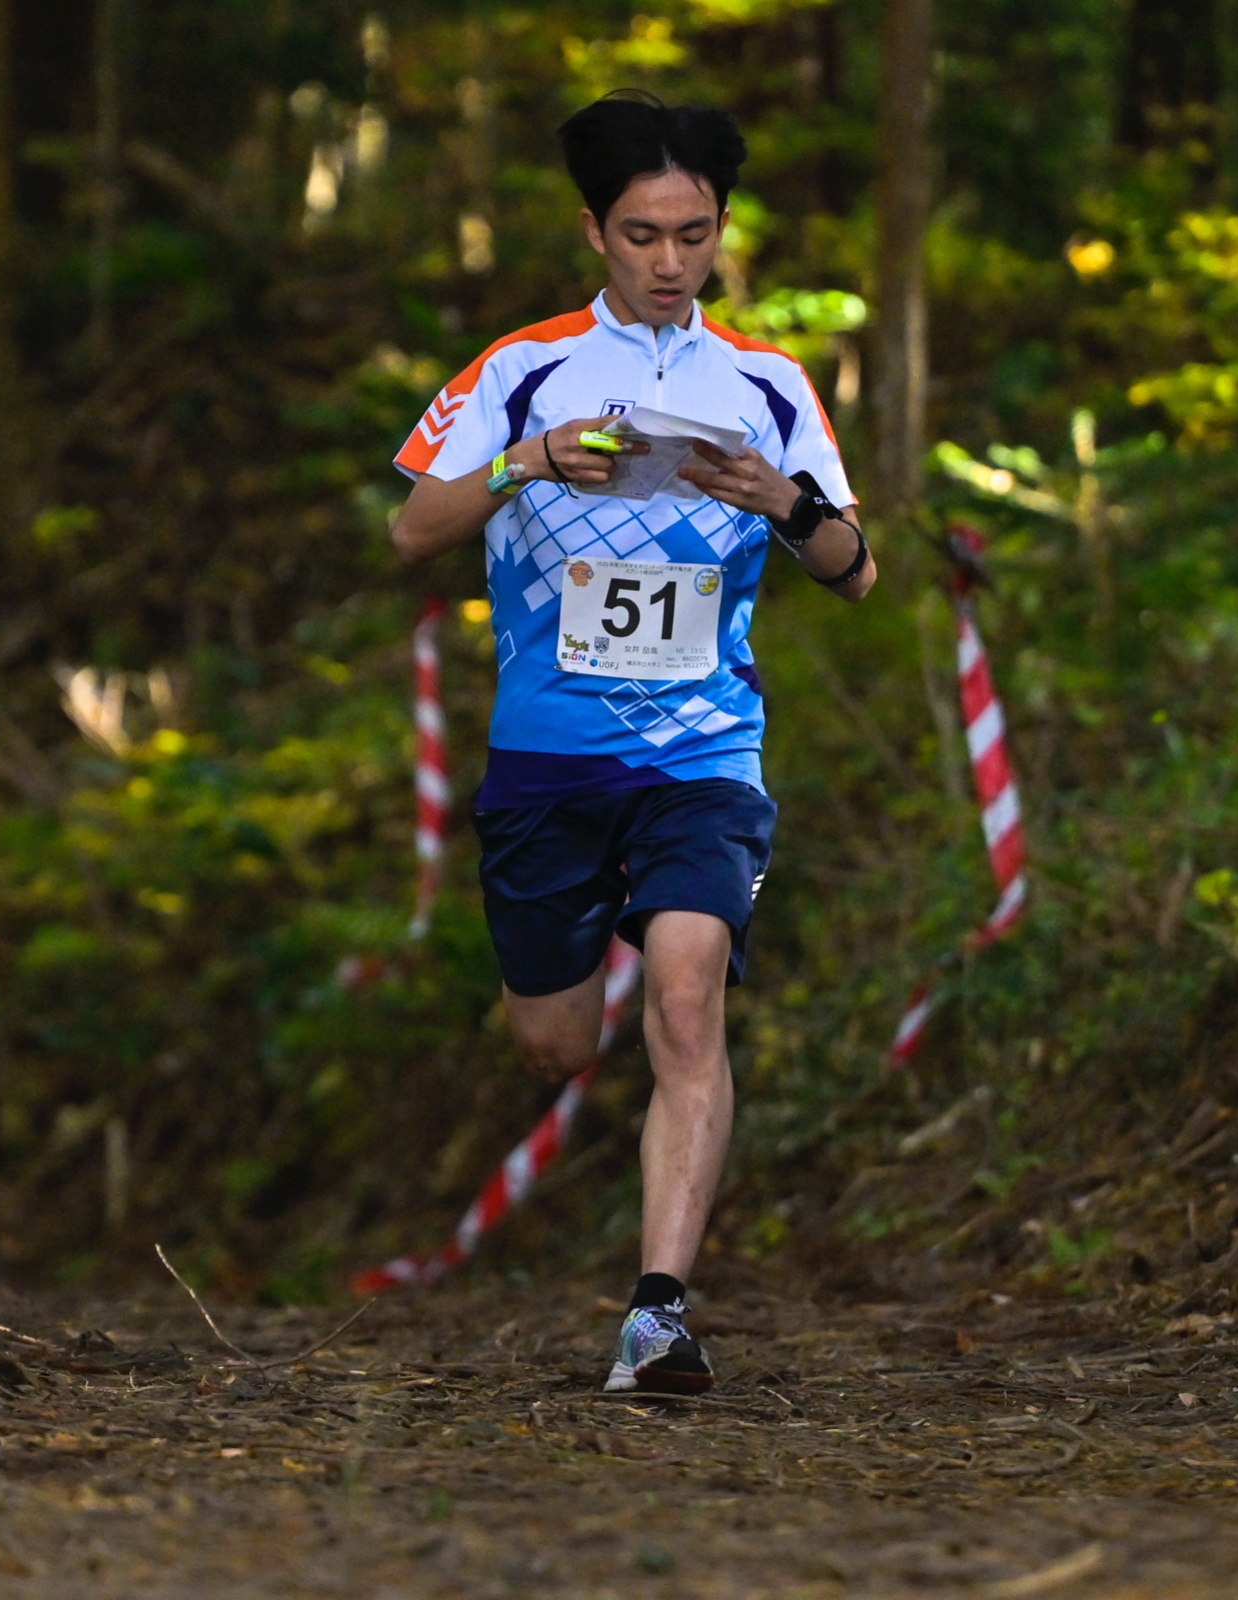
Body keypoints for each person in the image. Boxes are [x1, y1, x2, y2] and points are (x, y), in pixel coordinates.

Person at [389, 90, 873, 1394]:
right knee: (555, 1047)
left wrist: (783, 501)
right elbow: (411, 532)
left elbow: (855, 570)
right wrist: (528, 462)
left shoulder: (767, 384)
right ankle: (593, 952)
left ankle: (657, 1318)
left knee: (686, 994)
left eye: (694, 235)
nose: (670, 263)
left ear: (722, 232)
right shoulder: (519, 369)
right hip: (548, 762)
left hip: (703, 754)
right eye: (642, 236)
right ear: (593, 232)